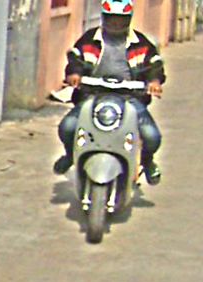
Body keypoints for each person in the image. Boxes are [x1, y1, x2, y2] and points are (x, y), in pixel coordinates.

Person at [53, 0, 165, 185]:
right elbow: (75, 58)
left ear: (128, 20)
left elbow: (154, 64)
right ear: (104, 18)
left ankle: (147, 162)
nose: (116, 23)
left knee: (151, 135)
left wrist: (154, 81)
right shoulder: (90, 39)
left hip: (130, 97)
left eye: (121, 20)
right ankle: (70, 155)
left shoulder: (141, 43)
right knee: (68, 127)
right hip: (92, 95)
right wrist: (74, 74)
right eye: (112, 19)